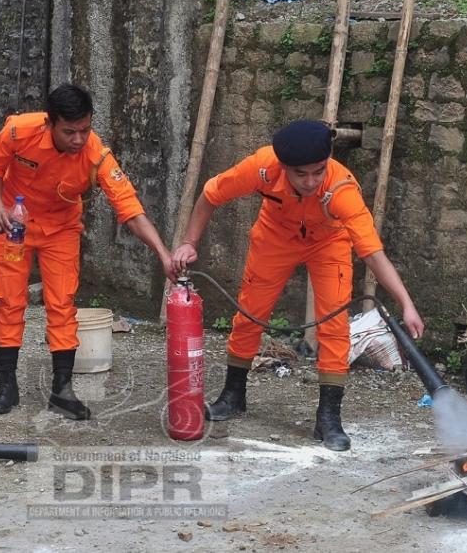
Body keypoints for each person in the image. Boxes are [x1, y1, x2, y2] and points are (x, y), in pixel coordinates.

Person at [171, 120, 424, 451]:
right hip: (276, 236)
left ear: (328, 160)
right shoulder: (262, 167)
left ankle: (328, 416)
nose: (310, 181)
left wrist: (406, 303)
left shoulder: (343, 191)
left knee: (334, 325)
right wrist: (190, 242)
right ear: (283, 167)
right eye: (300, 174)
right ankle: (233, 394)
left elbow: (374, 255)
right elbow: (210, 194)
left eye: (318, 172)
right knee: (250, 311)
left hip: (329, 242)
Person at [0, 84, 173, 420]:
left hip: (62, 231)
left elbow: (130, 209)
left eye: (85, 129)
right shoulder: (19, 130)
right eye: (69, 132)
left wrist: (163, 253)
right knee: (10, 301)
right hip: (15, 225)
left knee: (62, 304)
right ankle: (7, 384)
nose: (79, 139)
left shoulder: (97, 156)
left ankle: (62, 390)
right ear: (49, 123)